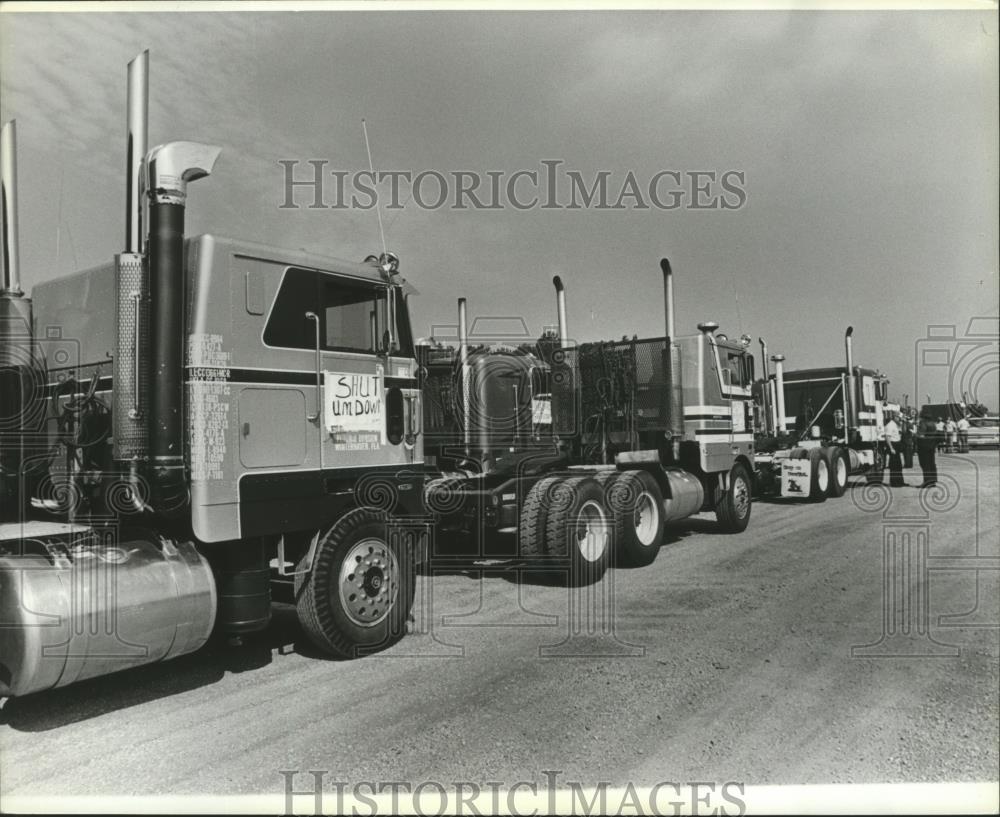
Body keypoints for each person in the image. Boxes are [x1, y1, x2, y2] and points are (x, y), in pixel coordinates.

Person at [916, 407, 939, 487]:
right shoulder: (933, 423)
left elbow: (921, 434)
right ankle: (933, 481)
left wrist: (916, 435)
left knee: (925, 464)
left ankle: (926, 482)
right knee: (931, 463)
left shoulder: (923, 423)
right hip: (932, 445)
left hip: (923, 446)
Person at [884, 411, 905, 487]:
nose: (899, 419)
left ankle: (900, 482)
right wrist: (891, 448)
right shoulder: (890, 425)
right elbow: (887, 437)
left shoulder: (895, 425)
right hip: (893, 445)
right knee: (894, 465)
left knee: (898, 465)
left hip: (897, 445)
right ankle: (894, 482)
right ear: (894, 417)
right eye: (898, 417)